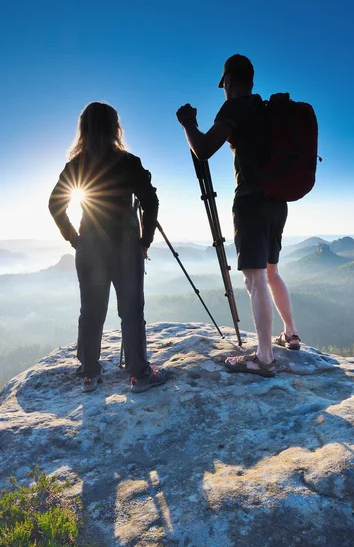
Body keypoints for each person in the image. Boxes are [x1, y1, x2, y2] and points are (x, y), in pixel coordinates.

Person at [176, 55, 300, 378]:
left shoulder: (234, 108)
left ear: (228, 81)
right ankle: (291, 333)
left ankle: (264, 358)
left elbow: (203, 149)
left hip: (252, 202)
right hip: (278, 202)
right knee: (272, 272)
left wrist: (188, 124)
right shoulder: (264, 109)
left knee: (254, 279)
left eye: (224, 84)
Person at [49, 102, 169, 393]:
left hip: (89, 246)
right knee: (130, 311)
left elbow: (55, 205)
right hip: (125, 246)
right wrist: (145, 240)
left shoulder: (75, 166)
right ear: (116, 128)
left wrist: (76, 238)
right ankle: (139, 375)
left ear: (84, 130)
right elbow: (150, 202)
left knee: (91, 310)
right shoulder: (129, 162)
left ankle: (89, 374)